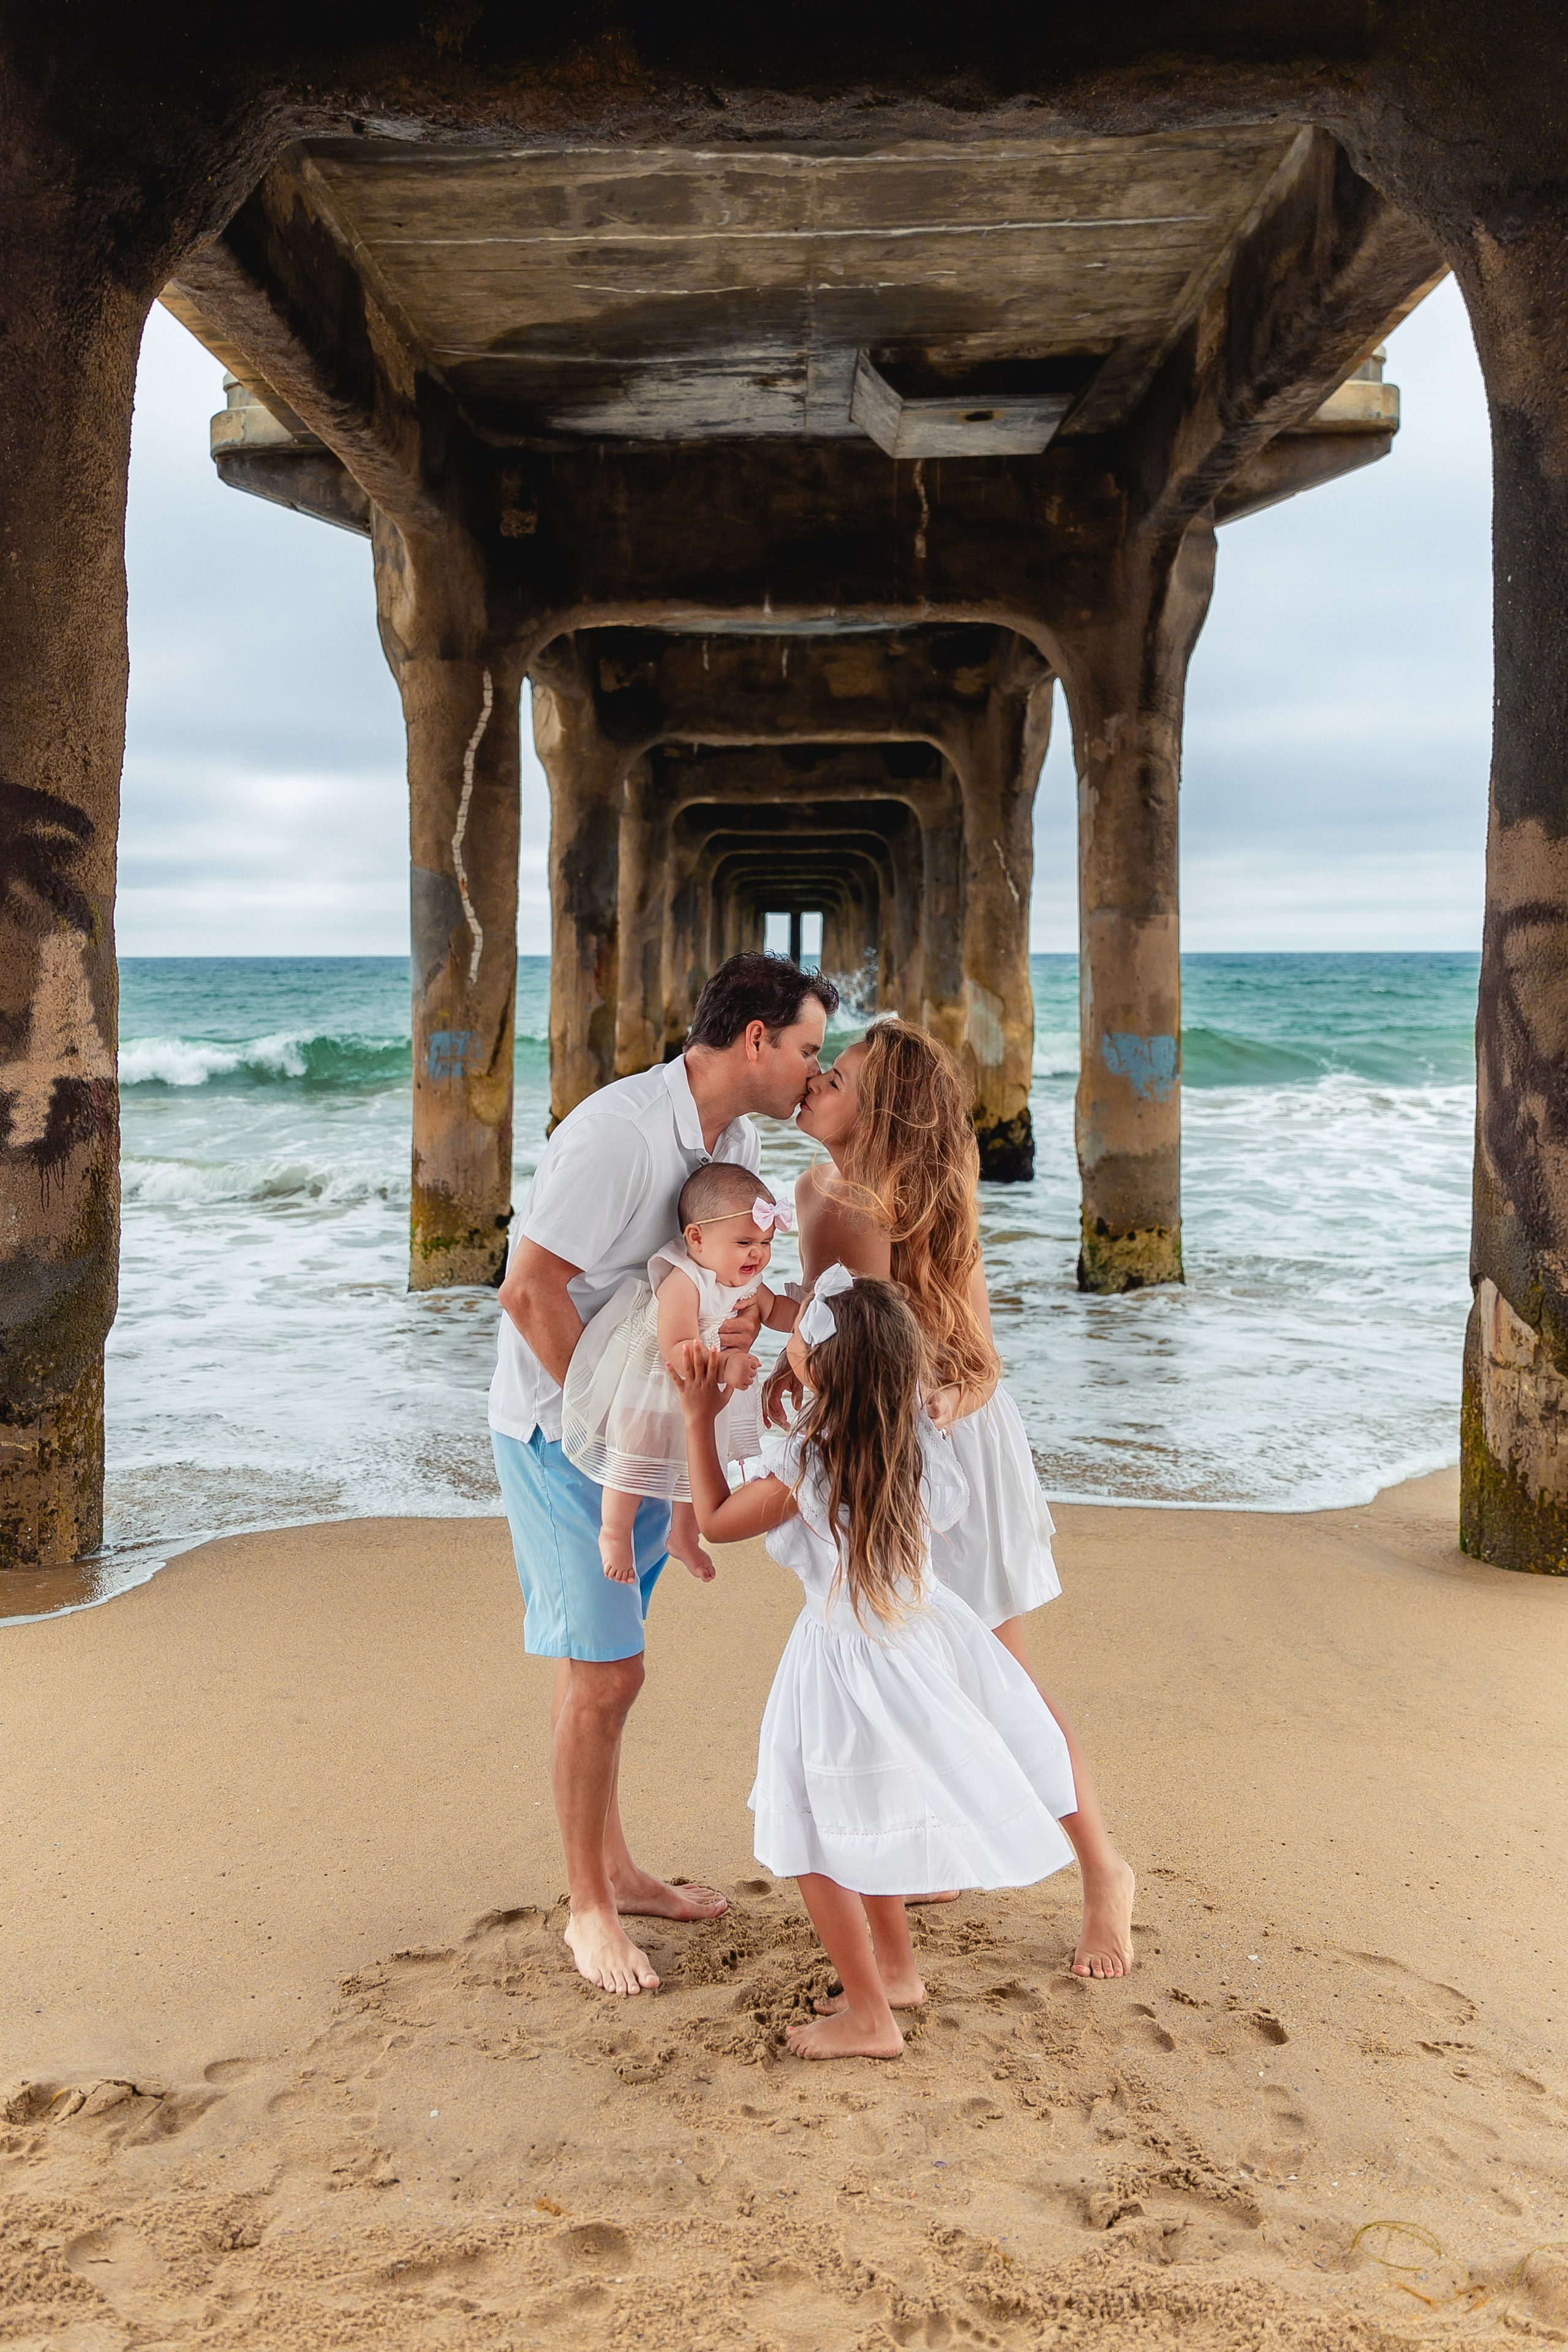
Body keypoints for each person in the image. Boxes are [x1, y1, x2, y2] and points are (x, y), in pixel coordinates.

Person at [490, 951, 837, 1997]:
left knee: (597, 1662)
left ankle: (615, 1868)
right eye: (809, 1052)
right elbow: (528, 1291)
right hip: (566, 1435)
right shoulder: (618, 1136)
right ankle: (586, 1911)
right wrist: (615, 1441)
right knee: (609, 1671)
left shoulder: (723, 1138)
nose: (814, 1076)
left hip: (629, 1442)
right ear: (755, 1041)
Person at [786, 1018, 1138, 1980]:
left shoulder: (909, 1209)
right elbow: (827, 1328)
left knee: (997, 1674)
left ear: (881, 1109)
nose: (817, 1076)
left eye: (841, 1074)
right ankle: (925, 1848)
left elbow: (981, 1359)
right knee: (892, 1661)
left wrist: (947, 1397)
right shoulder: (814, 1191)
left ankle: (1104, 1872)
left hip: (948, 1457)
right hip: (868, 1457)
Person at [673, 1267, 1080, 2060]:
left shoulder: (811, 1462)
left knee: (814, 1841)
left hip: (840, 1667)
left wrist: (700, 1414)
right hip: (916, 1643)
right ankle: (894, 1971)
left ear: (821, 1370)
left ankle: (871, 2015)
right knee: (872, 1814)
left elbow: (718, 1520)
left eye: (796, 1338)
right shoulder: (914, 1441)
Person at [561, 1164, 799, 1584]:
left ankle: (684, 1535)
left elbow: (775, 1309)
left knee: (699, 1463)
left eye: (765, 1242)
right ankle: (614, 1533)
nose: (757, 1254)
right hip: (657, 1385)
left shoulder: (745, 1278)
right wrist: (726, 1364)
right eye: (744, 1242)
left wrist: (812, 1318)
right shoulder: (684, 1281)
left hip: (704, 1393)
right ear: (697, 1238)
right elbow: (678, 1347)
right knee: (632, 1456)